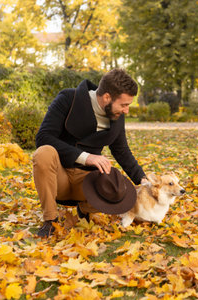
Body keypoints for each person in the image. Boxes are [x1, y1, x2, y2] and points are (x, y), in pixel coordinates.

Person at [32, 69, 146, 238]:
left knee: (116, 188)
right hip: (58, 176)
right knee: (43, 152)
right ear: (107, 97)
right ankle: (50, 221)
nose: (126, 111)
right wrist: (86, 157)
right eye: (124, 105)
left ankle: (85, 208)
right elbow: (43, 137)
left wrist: (143, 179)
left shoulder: (115, 115)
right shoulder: (68, 99)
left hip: (87, 182)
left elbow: (121, 150)